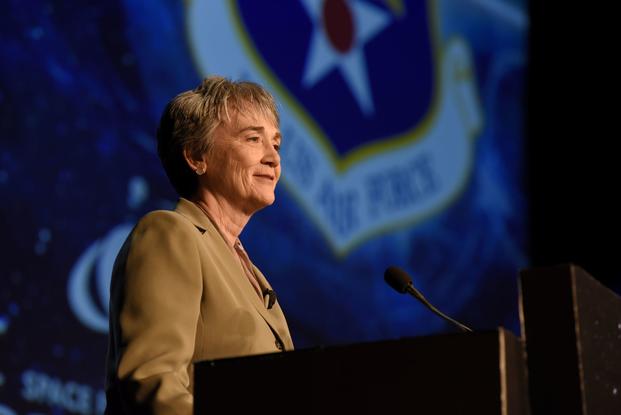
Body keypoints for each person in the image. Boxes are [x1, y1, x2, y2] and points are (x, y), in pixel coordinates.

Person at [105, 76, 294, 414]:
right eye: (253, 139)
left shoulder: (256, 278)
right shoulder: (170, 234)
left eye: (276, 144)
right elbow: (152, 378)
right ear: (195, 156)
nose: (273, 159)